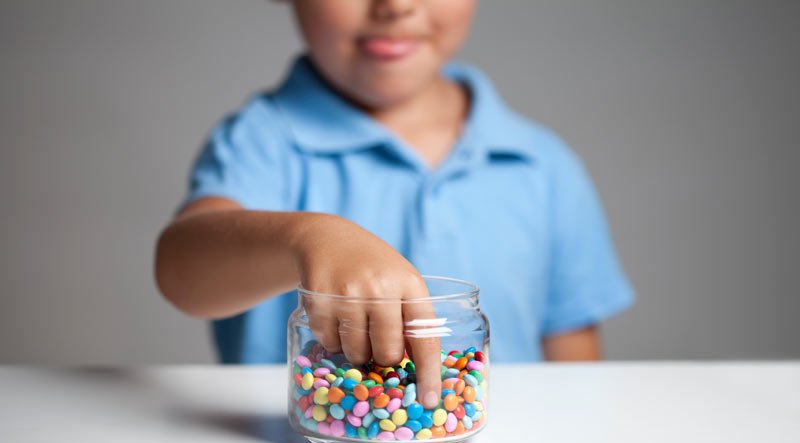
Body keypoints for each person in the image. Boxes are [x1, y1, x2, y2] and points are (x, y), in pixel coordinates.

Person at [155, 0, 634, 410]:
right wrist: (309, 238)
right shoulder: (260, 144)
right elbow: (181, 268)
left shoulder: (540, 163)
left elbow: (577, 377)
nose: (396, 5)